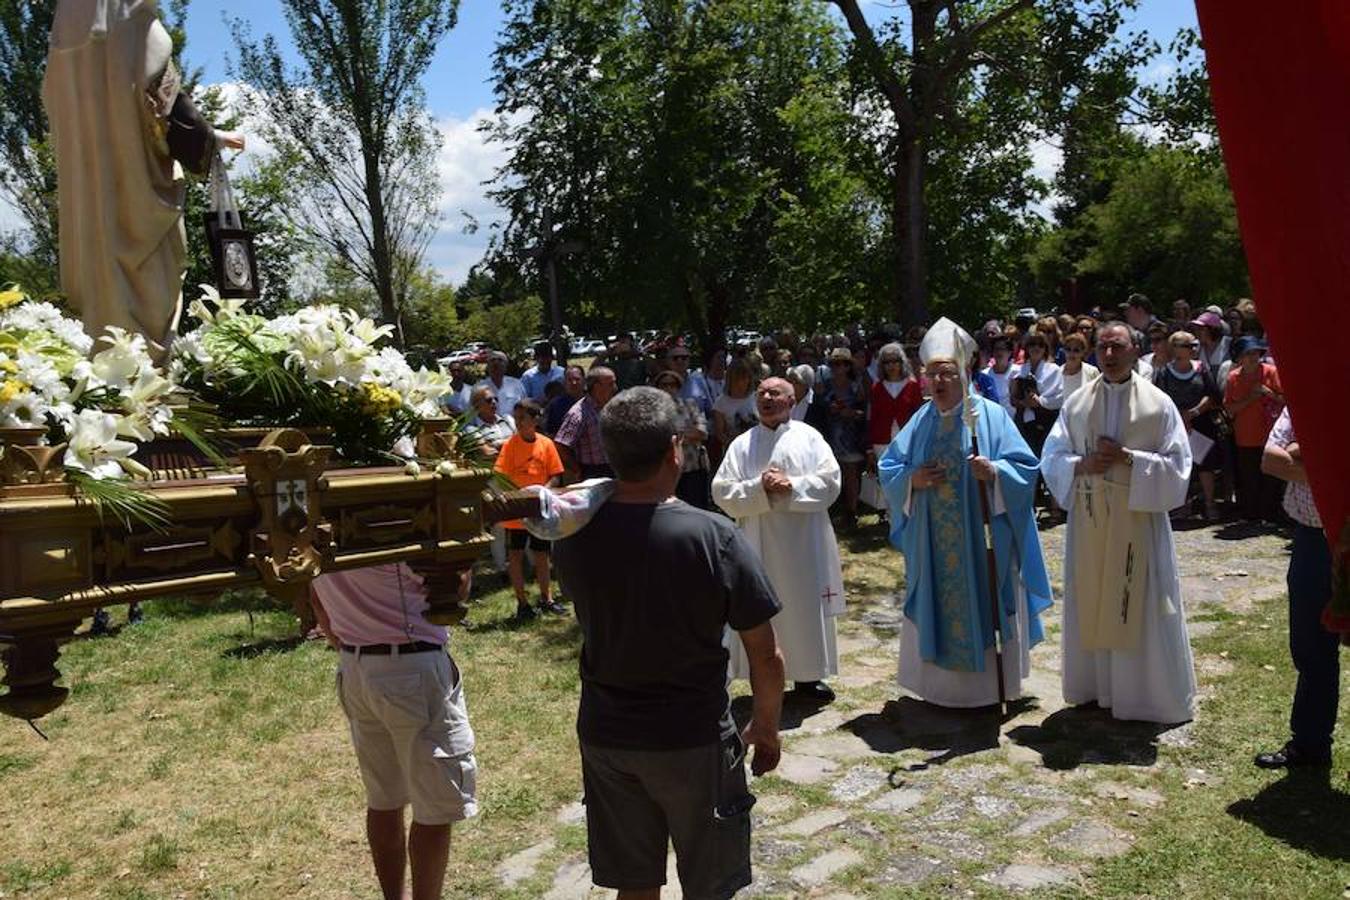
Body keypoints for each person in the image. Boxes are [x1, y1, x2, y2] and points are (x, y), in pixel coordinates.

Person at [552, 387, 785, 899]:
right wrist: (765, 724)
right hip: (692, 735)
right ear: (674, 449)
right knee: (710, 883)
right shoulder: (714, 537)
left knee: (634, 885)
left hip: (609, 734)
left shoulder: (572, 538)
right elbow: (765, 652)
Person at [878, 319, 1054, 707]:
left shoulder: (989, 416)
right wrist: (912, 480)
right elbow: (888, 468)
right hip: (933, 542)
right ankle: (939, 689)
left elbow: (1025, 468)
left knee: (985, 594)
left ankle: (989, 689)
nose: (937, 382)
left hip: (980, 538)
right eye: (931, 375)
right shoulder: (921, 420)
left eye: (946, 373)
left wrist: (994, 473)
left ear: (964, 374)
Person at [1041, 322, 1197, 723]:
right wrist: (1082, 464)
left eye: (1117, 347)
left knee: (1138, 600)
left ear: (1135, 351)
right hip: (1091, 521)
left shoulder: (1158, 404)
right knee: (1093, 597)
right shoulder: (1076, 404)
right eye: (1103, 347)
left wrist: (1130, 459)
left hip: (1137, 522)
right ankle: (1095, 688)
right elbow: (1052, 457)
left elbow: (1180, 466)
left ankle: (1142, 696)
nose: (1109, 355)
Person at [310, 565, 477, 900]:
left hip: (356, 665)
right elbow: (453, 588)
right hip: (409, 664)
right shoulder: (397, 520)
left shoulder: (317, 523)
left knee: (384, 799)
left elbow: (314, 594)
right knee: (434, 805)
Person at [713, 377, 845, 703]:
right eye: (761, 394)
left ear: (791, 400)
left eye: (775, 393)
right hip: (757, 541)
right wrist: (760, 488)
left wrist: (793, 486)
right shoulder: (742, 444)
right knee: (763, 609)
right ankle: (765, 675)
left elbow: (831, 482)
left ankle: (808, 677)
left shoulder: (809, 437)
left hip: (803, 542)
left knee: (802, 605)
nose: (767, 398)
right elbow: (722, 492)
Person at [1255, 409, 1338, 769]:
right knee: (1311, 646)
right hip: (1312, 541)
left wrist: (1304, 453)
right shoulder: (1304, 401)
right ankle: (1310, 743)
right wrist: (1334, 476)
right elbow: (1271, 459)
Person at [495, 399, 566, 620]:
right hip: (517, 512)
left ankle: (547, 598)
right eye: (515, 419)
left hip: (540, 509)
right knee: (515, 554)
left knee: (542, 553)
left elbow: (556, 474)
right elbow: (499, 474)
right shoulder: (510, 445)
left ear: (535, 420)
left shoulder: (546, 444)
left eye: (522, 418)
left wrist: (543, 492)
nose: (517, 423)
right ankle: (522, 604)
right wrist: (519, 496)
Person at [1153, 331, 1223, 521]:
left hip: (1200, 423)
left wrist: (1194, 413)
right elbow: (1159, 399)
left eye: (1194, 345)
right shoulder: (1165, 372)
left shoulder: (1202, 368)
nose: (1193, 348)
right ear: (1174, 348)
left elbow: (1212, 394)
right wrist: (1179, 418)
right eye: (1188, 345)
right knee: (1177, 464)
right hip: (1174, 426)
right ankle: (1180, 504)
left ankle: (1210, 503)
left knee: (1205, 465)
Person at [1224, 336, 1285, 521]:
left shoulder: (1271, 372)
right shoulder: (1233, 378)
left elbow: (1285, 402)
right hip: (1246, 437)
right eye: (1248, 353)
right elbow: (1230, 409)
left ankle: (1270, 513)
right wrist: (1251, 398)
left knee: (1272, 477)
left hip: (1271, 436)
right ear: (1240, 357)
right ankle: (1252, 513)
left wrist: (1269, 393)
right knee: (1249, 477)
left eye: (1256, 353)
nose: (1253, 357)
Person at [653, 369, 712, 509]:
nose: (668, 388)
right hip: (665, 470)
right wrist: (688, 433)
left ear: (678, 387)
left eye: (672, 384)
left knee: (696, 506)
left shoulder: (690, 405)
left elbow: (703, 433)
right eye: (664, 385)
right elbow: (654, 438)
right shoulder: (652, 411)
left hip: (692, 466)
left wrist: (673, 435)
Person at [555, 366, 618, 481]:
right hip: (593, 473)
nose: (615, 388)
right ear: (597, 387)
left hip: (613, 467)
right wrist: (577, 469)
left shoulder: (609, 406)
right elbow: (561, 445)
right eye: (610, 384)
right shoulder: (578, 413)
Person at [1008, 332, 1064, 460]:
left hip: (1045, 421)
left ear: (1045, 348)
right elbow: (1012, 398)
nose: (1036, 348)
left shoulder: (1054, 369)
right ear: (1027, 348)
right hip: (1022, 421)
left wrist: (1040, 401)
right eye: (1032, 344)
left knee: (1042, 457)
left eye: (1040, 345)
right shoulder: (1018, 370)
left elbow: (1059, 398)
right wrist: (1023, 402)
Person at [867, 342, 923, 466]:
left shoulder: (912, 386)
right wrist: (869, 449)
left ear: (902, 362)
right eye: (887, 362)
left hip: (908, 441)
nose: (891, 365)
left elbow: (919, 417)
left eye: (895, 361)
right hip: (881, 442)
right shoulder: (877, 388)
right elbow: (872, 418)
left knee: (907, 480)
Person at [712, 358, 759, 451]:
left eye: (745, 377)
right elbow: (720, 433)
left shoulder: (757, 397)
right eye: (738, 378)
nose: (742, 382)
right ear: (730, 379)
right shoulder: (720, 402)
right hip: (734, 449)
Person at [474, 351, 527, 420]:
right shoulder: (478, 388)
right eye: (492, 360)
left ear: (506, 365)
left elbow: (525, 408)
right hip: (489, 428)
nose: (496, 363)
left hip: (514, 427)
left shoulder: (516, 384)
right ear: (488, 365)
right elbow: (473, 413)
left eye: (500, 360)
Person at [669, 342, 713, 417]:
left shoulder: (699, 380)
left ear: (689, 360)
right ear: (668, 361)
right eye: (675, 358)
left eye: (684, 357)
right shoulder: (662, 382)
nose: (679, 361)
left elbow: (710, 409)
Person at [544, 364, 585, 436]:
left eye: (577, 379)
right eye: (570, 380)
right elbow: (549, 432)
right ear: (564, 382)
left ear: (584, 380)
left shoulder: (593, 401)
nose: (574, 383)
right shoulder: (555, 405)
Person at [786, 364, 828, 433]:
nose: (791, 385)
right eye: (790, 381)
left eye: (796, 382)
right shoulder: (785, 401)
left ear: (806, 384)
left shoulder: (818, 404)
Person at [983, 335, 1017, 417]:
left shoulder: (1017, 372)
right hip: (992, 419)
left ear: (1010, 352)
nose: (999, 352)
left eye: (1003, 349)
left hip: (1014, 421)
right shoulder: (984, 375)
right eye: (996, 349)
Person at [1060, 332, 1099, 399]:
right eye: (1068, 349)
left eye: (1076, 350)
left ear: (1083, 352)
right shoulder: (1057, 373)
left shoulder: (1092, 372)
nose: (1071, 353)